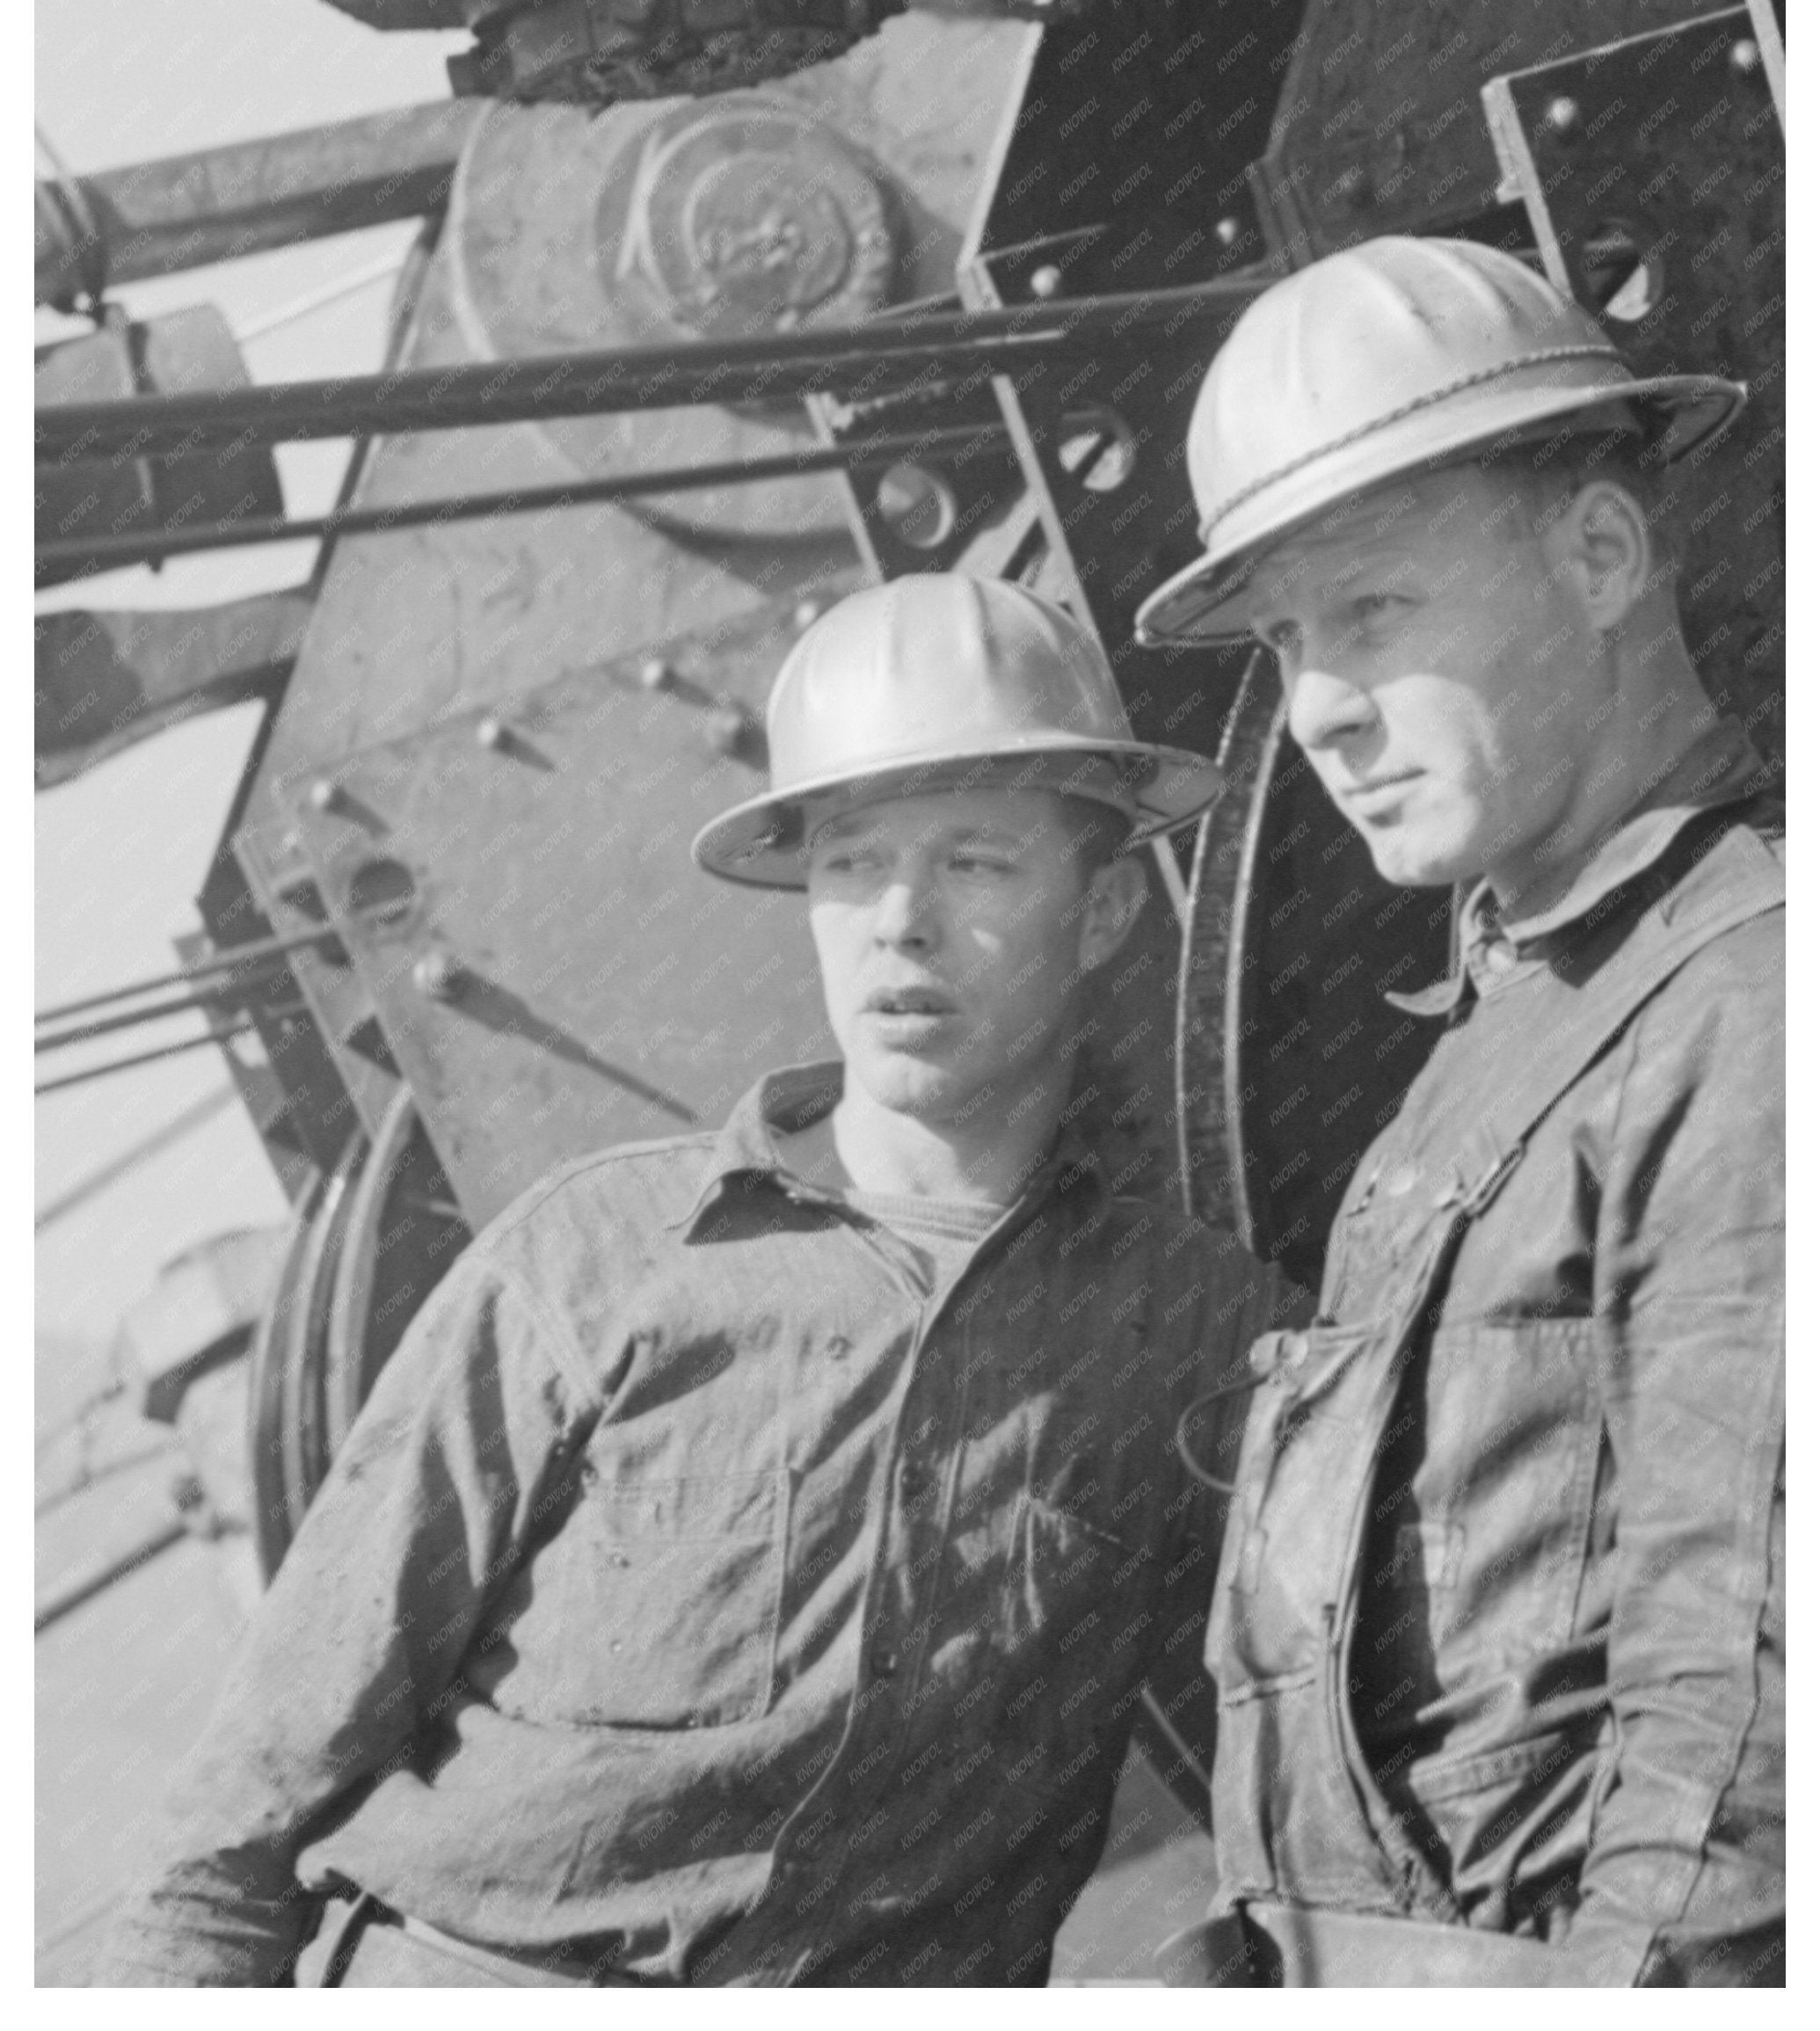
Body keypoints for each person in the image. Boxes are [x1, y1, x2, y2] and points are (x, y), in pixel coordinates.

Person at [101, 572, 1241, 1988]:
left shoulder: (1203, 1337)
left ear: (1108, 909)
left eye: (975, 863)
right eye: (849, 862)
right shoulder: (584, 1264)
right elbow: (238, 1824)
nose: (900, 920)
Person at [1136, 236, 1783, 1987]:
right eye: (1280, 642)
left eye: (1373, 611)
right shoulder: (1532, 999)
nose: (1320, 710)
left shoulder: (1749, 1000)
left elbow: (1743, 1734)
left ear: (1598, 550)